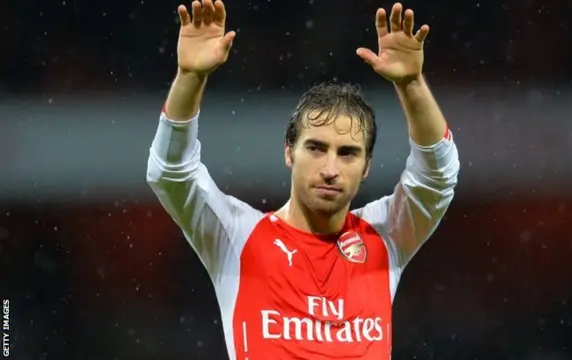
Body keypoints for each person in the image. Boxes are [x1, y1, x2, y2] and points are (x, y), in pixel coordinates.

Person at [146, 0, 460, 358]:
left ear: (367, 166)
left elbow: (438, 177)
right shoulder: (237, 236)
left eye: (347, 153)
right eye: (315, 148)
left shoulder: (385, 236)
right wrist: (190, 77)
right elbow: (171, 173)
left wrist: (412, 83)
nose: (330, 168)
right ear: (288, 152)